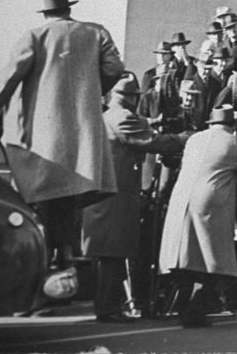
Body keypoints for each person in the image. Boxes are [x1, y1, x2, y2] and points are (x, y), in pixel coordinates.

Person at [0, 0, 124, 267]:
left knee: (43, 207)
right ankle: (66, 262)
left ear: (46, 14)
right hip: (84, 142)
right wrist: (91, 92)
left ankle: (44, 276)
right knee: (69, 205)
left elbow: (7, 79)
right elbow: (115, 69)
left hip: (45, 141)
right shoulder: (96, 33)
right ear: (68, 10)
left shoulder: (34, 37)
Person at [81, 73, 188, 323]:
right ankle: (108, 308)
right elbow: (148, 141)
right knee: (114, 253)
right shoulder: (122, 117)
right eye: (133, 96)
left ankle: (109, 305)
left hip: (108, 196)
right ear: (127, 97)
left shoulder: (108, 116)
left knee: (111, 254)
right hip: (115, 197)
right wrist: (181, 140)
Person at [158, 105, 237, 327]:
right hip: (209, 203)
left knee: (186, 256)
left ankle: (183, 305)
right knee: (211, 257)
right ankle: (196, 308)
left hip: (182, 199)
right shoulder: (235, 143)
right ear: (233, 124)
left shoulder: (194, 139)